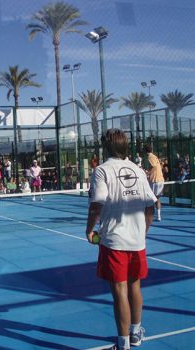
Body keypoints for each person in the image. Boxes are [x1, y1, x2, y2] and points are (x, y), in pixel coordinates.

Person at [85, 129, 156, 350]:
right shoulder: (138, 169)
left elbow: (97, 204)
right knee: (135, 287)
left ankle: (123, 344)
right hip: (137, 241)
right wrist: (142, 232)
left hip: (114, 241)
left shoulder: (101, 171)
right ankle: (135, 333)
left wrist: (89, 229)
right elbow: (150, 206)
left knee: (120, 292)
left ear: (106, 147)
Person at [144, 145, 165, 221]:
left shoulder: (150, 157)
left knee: (150, 198)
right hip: (160, 180)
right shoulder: (155, 156)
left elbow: (154, 167)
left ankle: (149, 215)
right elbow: (157, 166)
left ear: (145, 151)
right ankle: (158, 216)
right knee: (157, 198)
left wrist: (147, 174)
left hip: (155, 181)